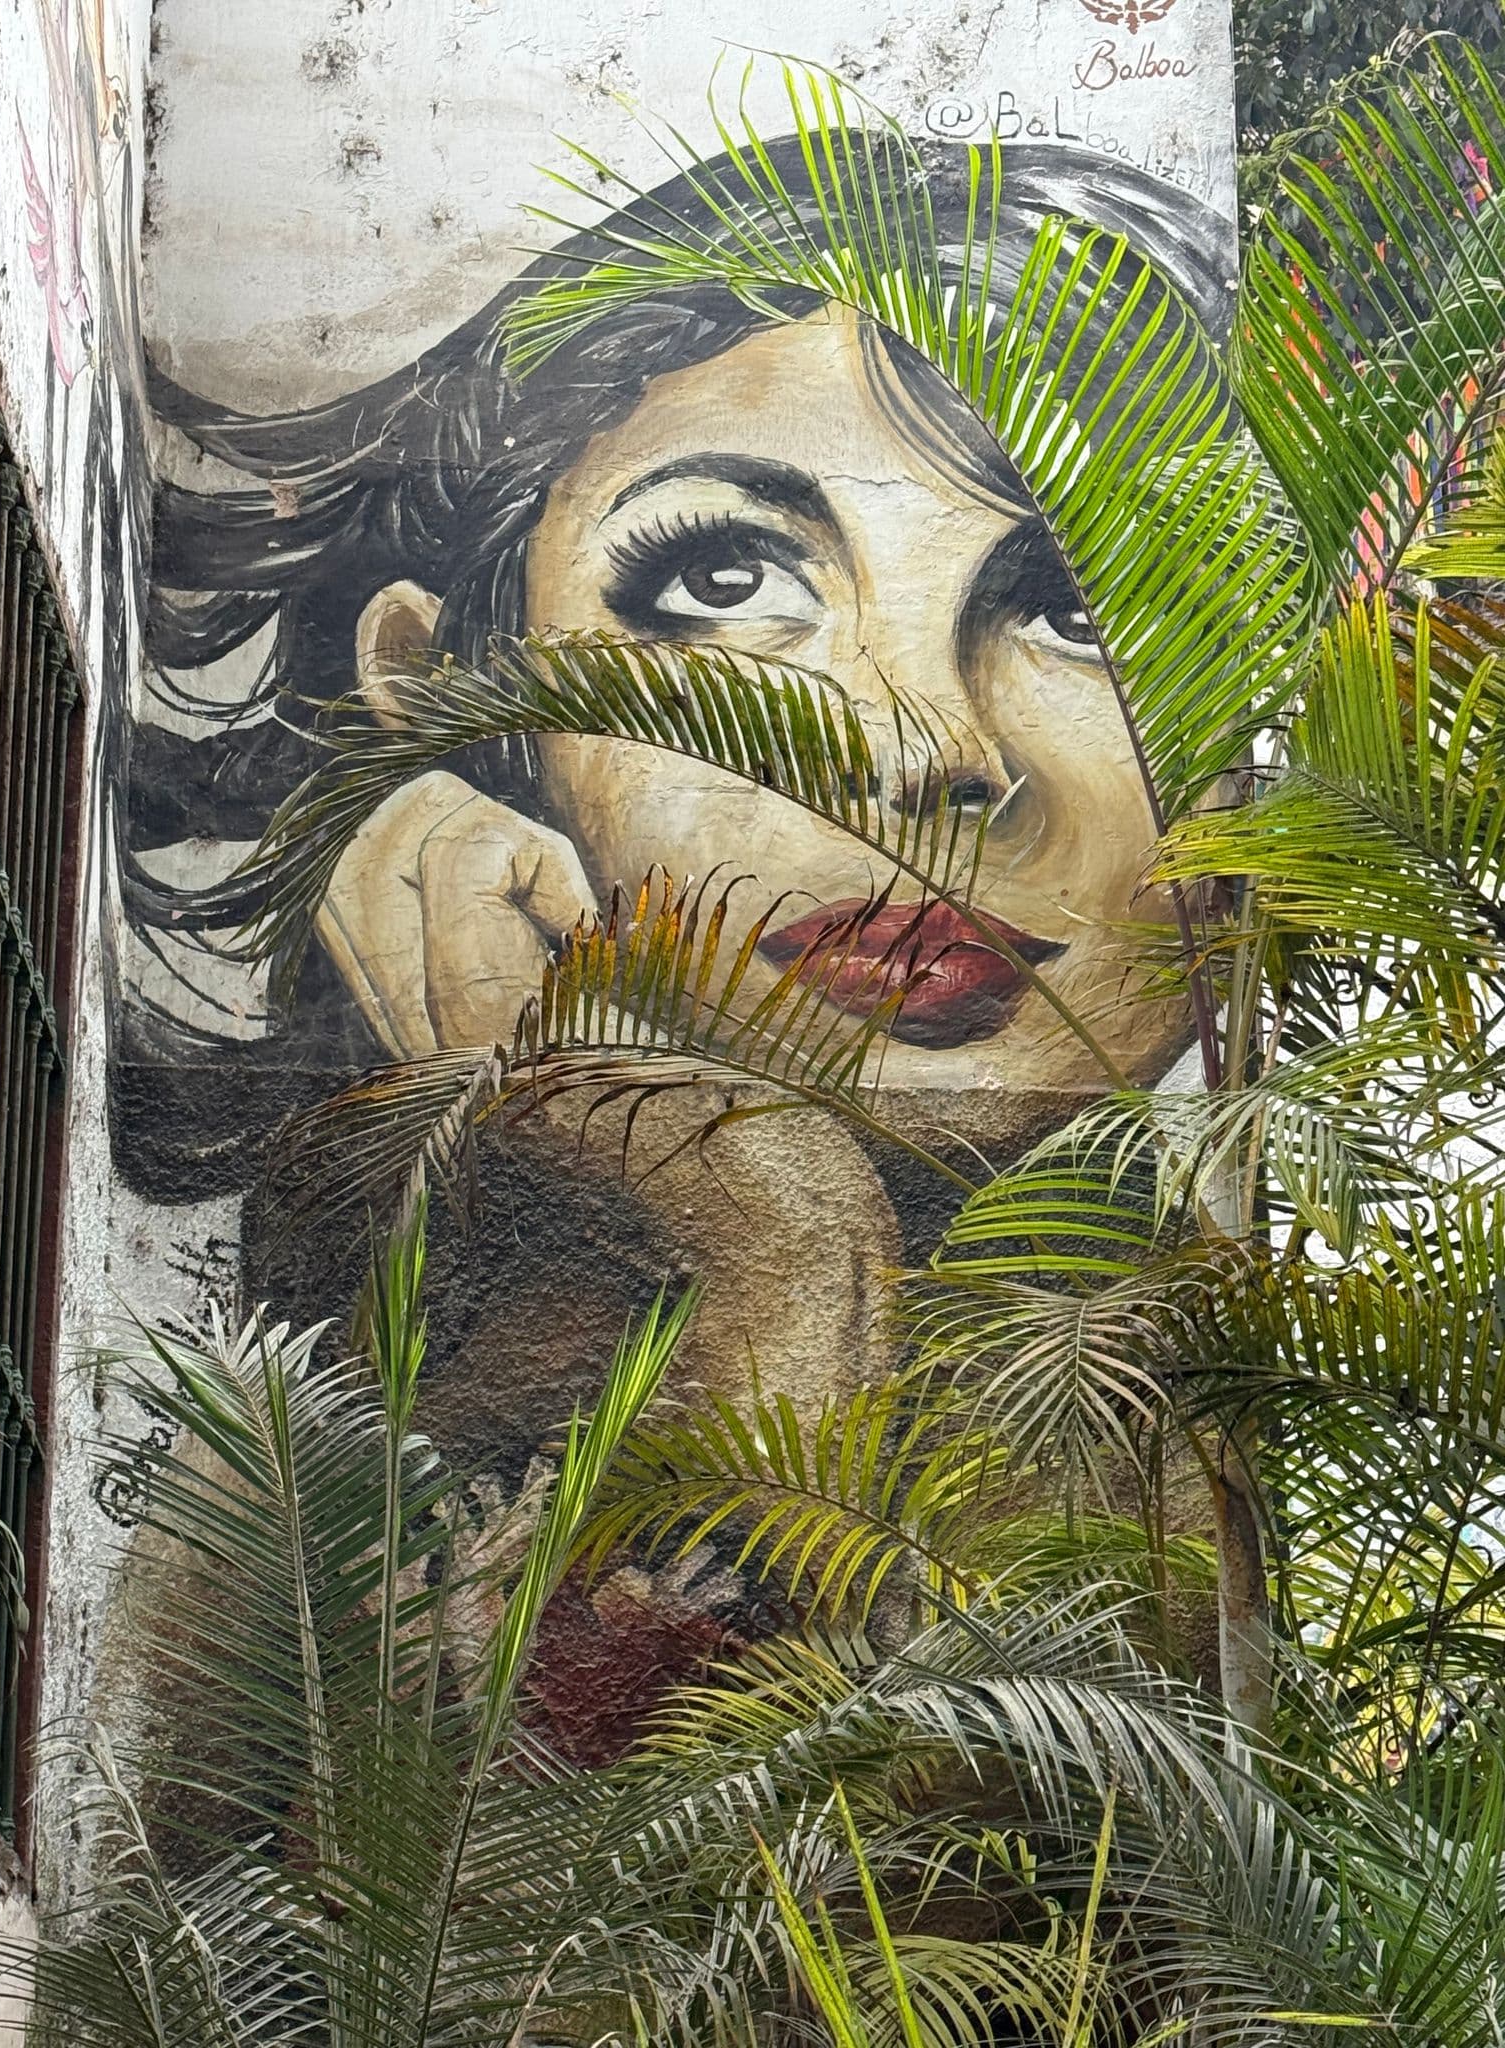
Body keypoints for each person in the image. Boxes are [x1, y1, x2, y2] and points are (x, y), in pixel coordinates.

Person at [112, 131, 1235, 1752]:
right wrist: (757, 1225)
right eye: (722, 579)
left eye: (1077, 606)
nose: (930, 756)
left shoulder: (1252, 1406)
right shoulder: (316, 1439)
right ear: (448, 696)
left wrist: (774, 1247)